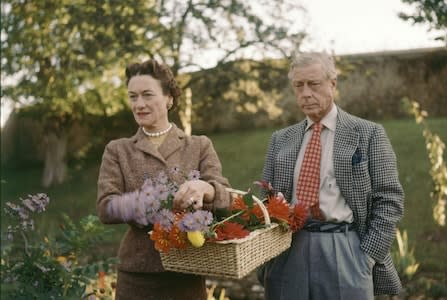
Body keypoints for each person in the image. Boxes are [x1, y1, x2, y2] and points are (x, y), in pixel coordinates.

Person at [257, 51, 404, 299]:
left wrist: (367, 256)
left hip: (346, 250)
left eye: (313, 84)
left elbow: (389, 200)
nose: (305, 93)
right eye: (298, 85)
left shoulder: (368, 134)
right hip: (288, 248)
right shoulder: (280, 139)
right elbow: (265, 199)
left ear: (332, 84)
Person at [96, 59, 231, 300]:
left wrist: (206, 188)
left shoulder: (199, 146)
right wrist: (155, 202)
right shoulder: (118, 150)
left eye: (147, 95)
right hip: (137, 276)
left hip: (187, 273)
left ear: (169, 98)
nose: (139, 104)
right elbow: (106, 208)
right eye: (133, 97)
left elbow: (227, 201)